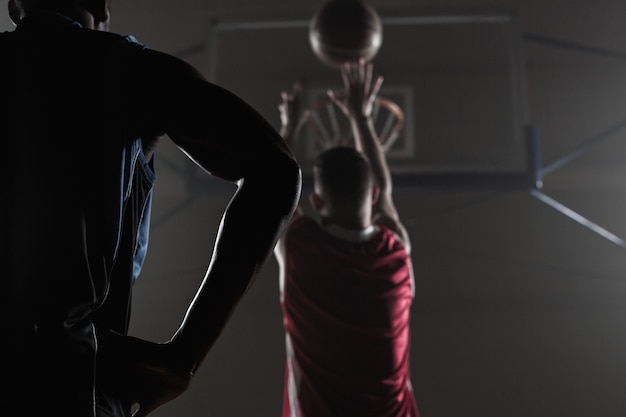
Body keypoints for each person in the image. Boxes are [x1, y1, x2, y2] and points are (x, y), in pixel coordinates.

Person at [0, 1, 302, 416]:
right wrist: (184, 357)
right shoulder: (135, 74)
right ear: (102, 6)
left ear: (16, 7)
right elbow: (276, 171)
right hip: (75, 385)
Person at [275, 59, 420, 417]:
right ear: (370, 196)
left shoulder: (300, 250)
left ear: (317, 200)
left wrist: (288, 128)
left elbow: (272, 186)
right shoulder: (396, 252)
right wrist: (362, 116)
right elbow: (385, 189)